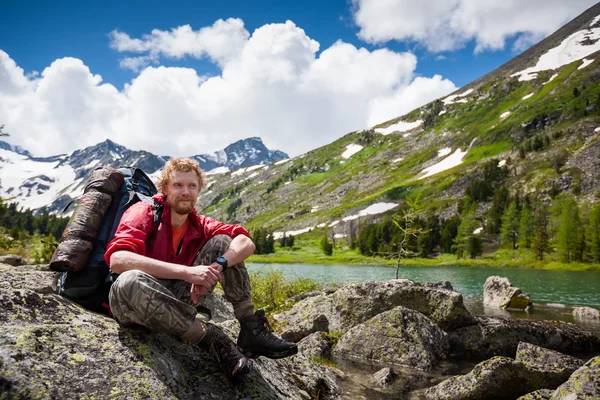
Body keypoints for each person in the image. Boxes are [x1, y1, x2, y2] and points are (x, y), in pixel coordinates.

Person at [104, 157, 297, 378]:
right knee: (130, 281)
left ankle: (250, 329)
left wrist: (218, 265)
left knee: (225, 244)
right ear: (164, 188)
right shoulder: (144, 211)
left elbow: (246, 242)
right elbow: (118, 259)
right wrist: (188, 273)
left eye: (192, 186)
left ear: (199, 190)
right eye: (178, 185)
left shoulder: (199, 222)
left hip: (177, 299)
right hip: (133, 303)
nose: (185, 192)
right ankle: (210, 338)